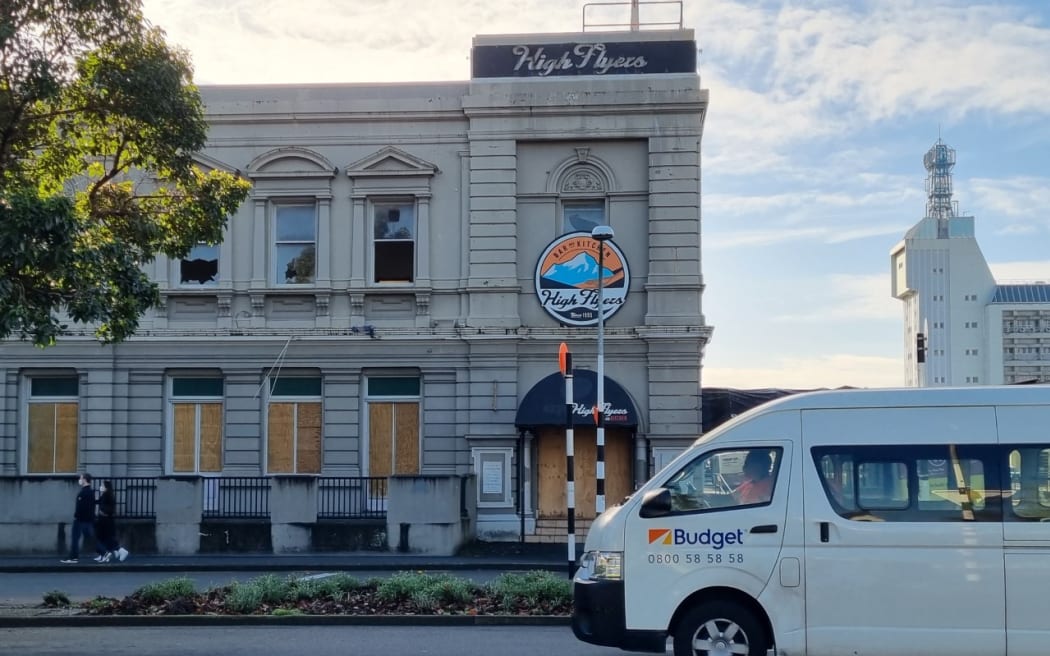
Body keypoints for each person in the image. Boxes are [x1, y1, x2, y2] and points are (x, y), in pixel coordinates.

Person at [61, 473, 103, 563]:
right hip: (86, 519)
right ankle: (103, 551)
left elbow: (82, 507)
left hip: (81, 520)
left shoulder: (85, 492)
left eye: (81, 478)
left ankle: (73, 557)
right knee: (90, 537)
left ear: (84, 480)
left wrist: (77, 516)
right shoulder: (89, 492)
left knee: (75, 538)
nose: (79, 480)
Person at [94, 480, 129, 563]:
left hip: (106, 522)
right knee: (103, 539)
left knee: (107, 539)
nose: (101, 487)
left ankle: (120, 551)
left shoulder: (108, 496)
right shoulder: (104, 496)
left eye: (102, 485)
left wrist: (103, 512)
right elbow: (99, 502)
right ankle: (103, 554)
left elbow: (111, 509)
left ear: (106, 487)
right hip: (103, 521)